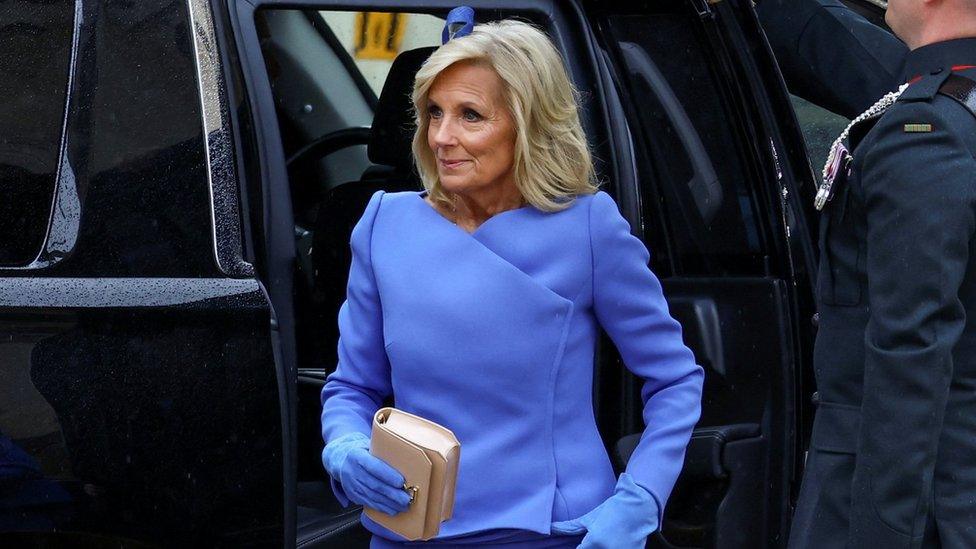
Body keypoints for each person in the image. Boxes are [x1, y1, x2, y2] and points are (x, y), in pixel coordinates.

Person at [318, 16, 704, 549]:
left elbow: (675, 379)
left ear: (527, 124)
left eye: (470, 116)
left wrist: (640, 498)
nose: (441, 137)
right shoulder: (385, 223)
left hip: (552, 532)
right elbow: (352, 386)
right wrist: (345, 447)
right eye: (434, 113)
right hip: (410, 527)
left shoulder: (588, 227)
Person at [760, 1, 976, 547]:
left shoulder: (925, 128)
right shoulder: (953, 106)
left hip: (888, 492)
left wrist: (882, 534)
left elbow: (912, 353)